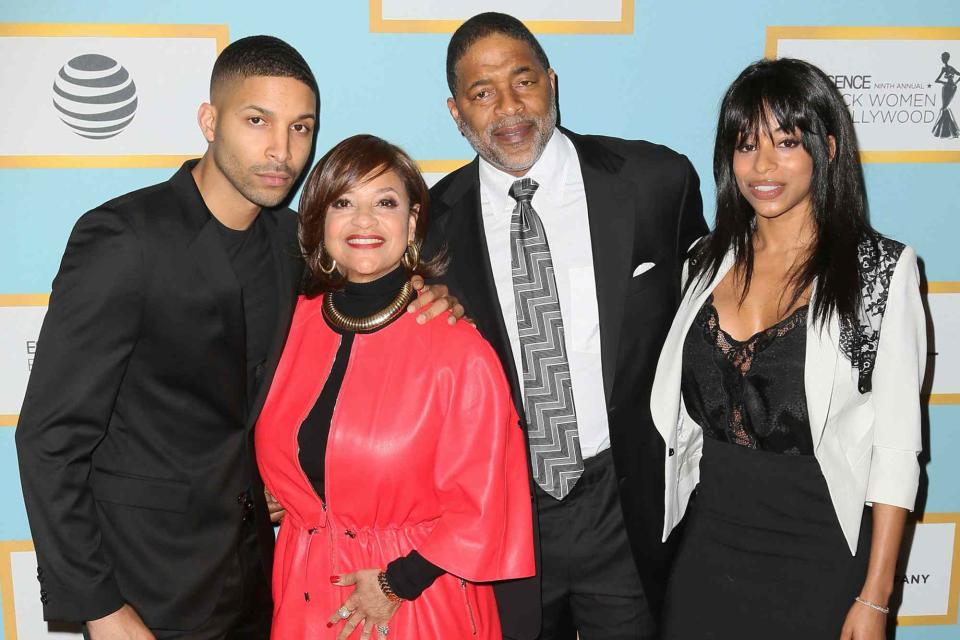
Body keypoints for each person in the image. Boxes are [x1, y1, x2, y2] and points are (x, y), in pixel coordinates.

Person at [16, 36, 456, 640]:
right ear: (209, 121)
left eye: (301, 128)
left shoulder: (290, 246)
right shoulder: (125, 240)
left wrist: (428, 293)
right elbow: (50, 440)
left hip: (256, 579)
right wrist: (99, 606)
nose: (282, 150)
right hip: (145, 586)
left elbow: (354, 313)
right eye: (258, 121)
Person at [423, 12, 708, 640]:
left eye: (523, 81)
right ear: (455, 112)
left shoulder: (655, 183)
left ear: (551, 82)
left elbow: (711, 334)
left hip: (626, 506)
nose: (508, 107)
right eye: (482, 93)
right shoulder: (429, 225)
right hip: (504, 518)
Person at [651, 58, 925, 639]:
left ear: (826, 146)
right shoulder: (701, 262)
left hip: (818, 555)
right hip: (706, 545)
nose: (763, 165)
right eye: (746, 145)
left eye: (787, 142)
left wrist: (876, 599)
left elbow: (897, 451)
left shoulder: (878, 272)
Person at [254, 133, 534, 640]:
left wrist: (395, 583)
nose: (363, 221)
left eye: (384, 202)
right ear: (318, 222)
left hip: (414, 601)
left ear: (411, 224)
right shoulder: (289, 325)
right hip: (302, 593)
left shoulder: (458, 348)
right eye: (344, 203)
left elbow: (486, 502)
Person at [932, 51, 959, 139]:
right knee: (944, 107)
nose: (942, 59)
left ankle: (947, 130)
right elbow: (936, 80)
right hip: (947, 87)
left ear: (946, 59)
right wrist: (946, 83)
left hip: (951, 88)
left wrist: (955, 83)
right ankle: (949, 131)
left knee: (944, 107)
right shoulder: (944, 68)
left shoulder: (950, 68)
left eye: (943, 58)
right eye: (942, 58)